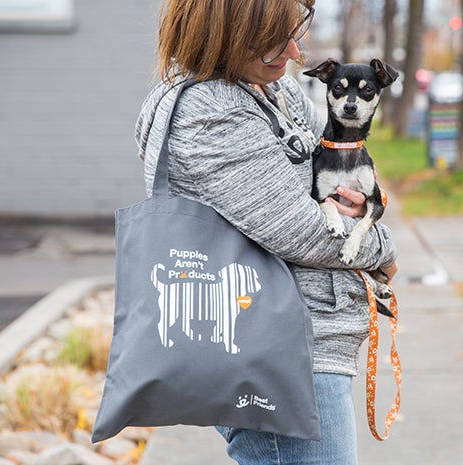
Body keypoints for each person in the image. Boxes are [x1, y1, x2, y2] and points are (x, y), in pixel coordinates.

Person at [134, 0, 398, 463]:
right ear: (225, 33)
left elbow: (344, 166)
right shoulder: (209, 112)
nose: (295, 52)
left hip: (299, 350)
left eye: (295, 35)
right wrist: (383, 249)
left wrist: (363, 204)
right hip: (277, 357)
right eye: (276, 40)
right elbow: (301, 231)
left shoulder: (274, 89)